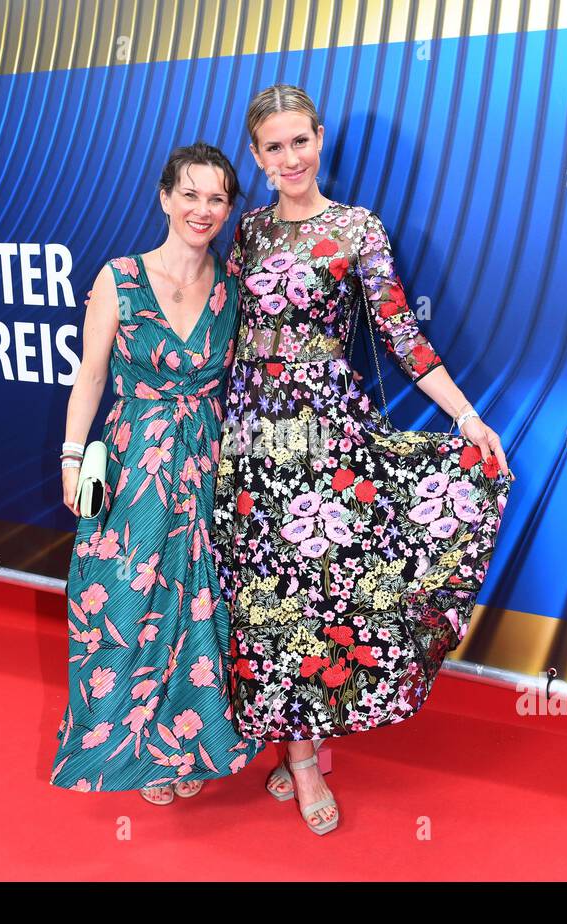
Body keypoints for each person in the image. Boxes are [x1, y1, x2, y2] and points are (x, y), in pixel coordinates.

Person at [213, 84, 514, 834]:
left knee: (317, 596)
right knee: (260, 599)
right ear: (256, 156)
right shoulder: (245, 233)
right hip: (251, 437)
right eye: (273, 147)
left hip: (324, 437)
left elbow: (400, 334)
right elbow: (223, 329)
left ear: (320, 141)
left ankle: (305, 757)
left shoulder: (356, 230)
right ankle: (272, 740)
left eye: (299, 141)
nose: (289, 158)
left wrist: (468, 418)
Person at [51, 143, 264, 804]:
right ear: (166, 197)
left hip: (206, 457)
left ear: (229, 208)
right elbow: (90, 374)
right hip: (134, 460)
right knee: (125, 599)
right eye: (191, 195)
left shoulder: (232, 287)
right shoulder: (120, 277)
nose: (203, 209)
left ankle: (183, 745)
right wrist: (69, 452)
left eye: (217, 198)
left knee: (196, 605)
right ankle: (129, 746)